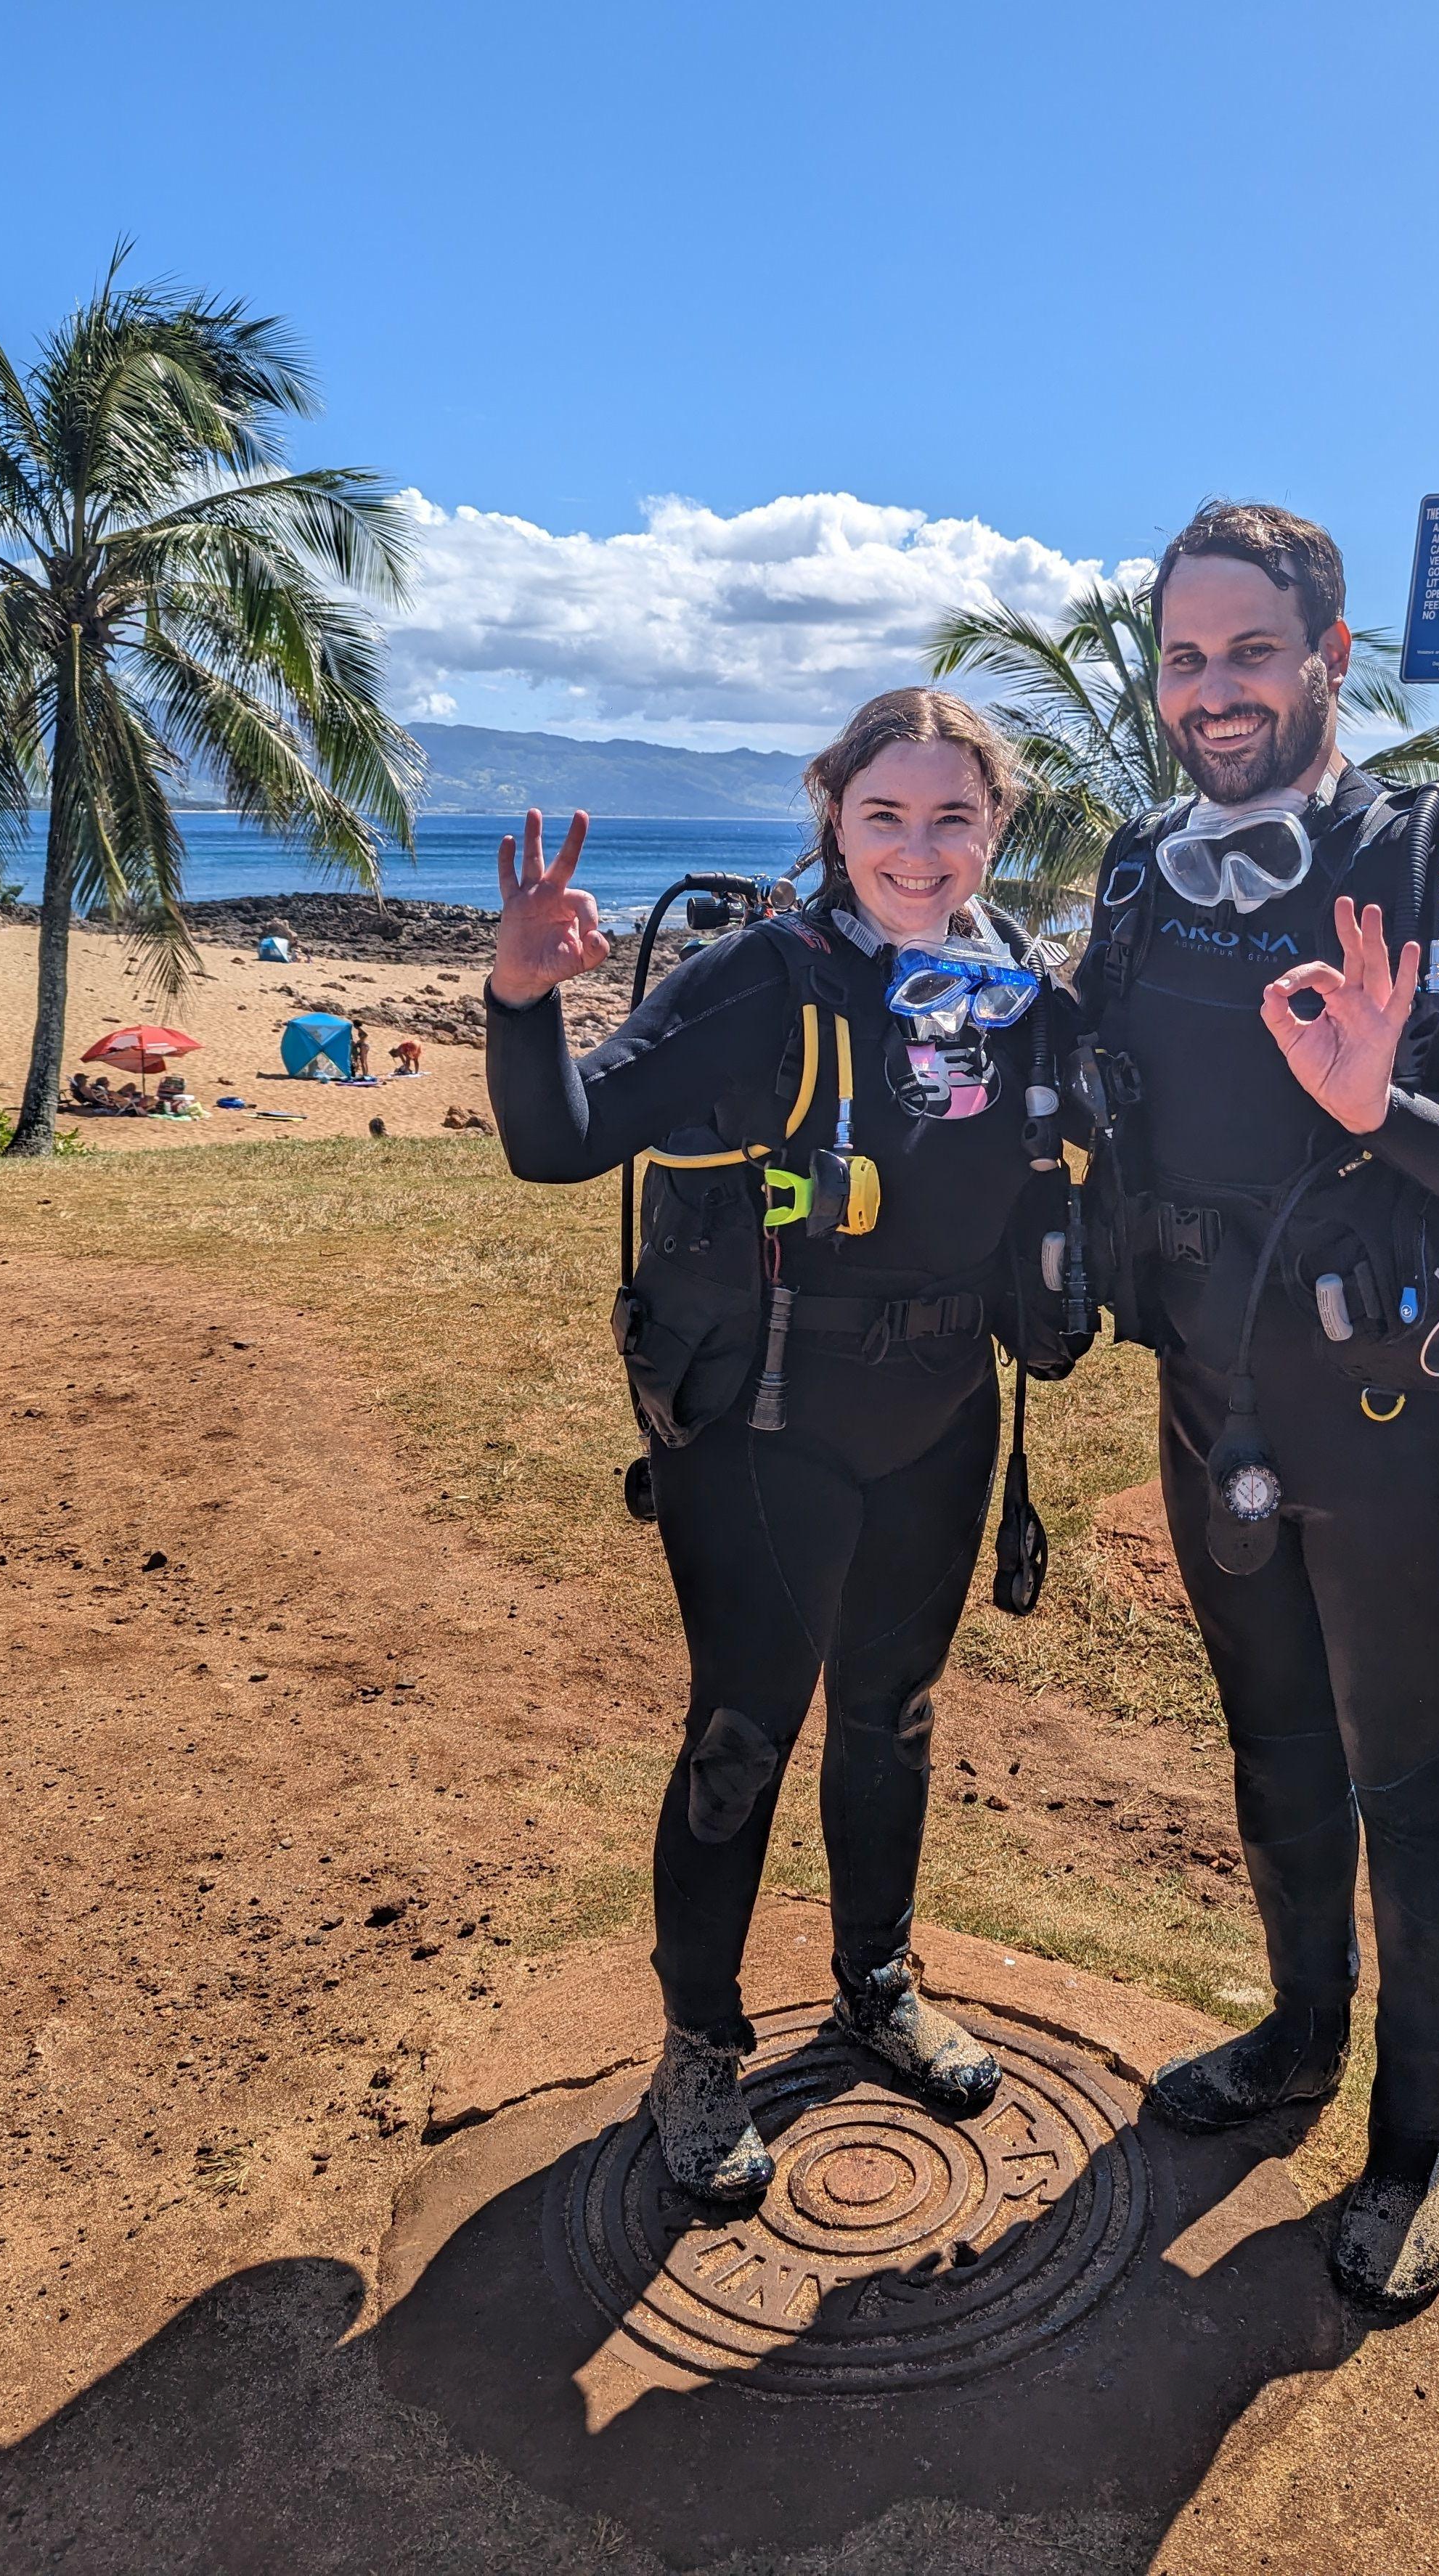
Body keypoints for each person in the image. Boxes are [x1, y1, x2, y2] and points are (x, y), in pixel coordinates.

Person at [1072, 501, 1439, 2314]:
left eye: (1251, 652)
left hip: (1399, 1421)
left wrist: (1393, 1111)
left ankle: (1419, 2143)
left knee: (1402, 1773)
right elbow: (1081, 1070)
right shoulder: (1142, 877)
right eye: (1186, 657)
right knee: (1276, 1748)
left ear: (1330, 659)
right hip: (1213, 1401)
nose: (1214, 692)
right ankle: (1299, 2041)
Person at [484, 689, 1072, 2205]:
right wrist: (521, 996)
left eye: (954, 817)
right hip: (763, 1427)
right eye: (885, 815)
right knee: (744, 1737)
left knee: (898, 1718)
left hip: (944, 1416)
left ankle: (876, 1986)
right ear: (832, 815)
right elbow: (559, 1142)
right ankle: (698, 2050)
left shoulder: (1015, 984)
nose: (919, 849)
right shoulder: (764, 980)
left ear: (997, 825)